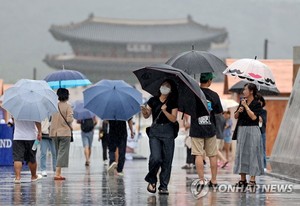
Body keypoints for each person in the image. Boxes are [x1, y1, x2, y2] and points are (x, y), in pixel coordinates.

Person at [141, 79, 178, 195]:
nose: (164, 87)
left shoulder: (173, 102)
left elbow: (173, 119)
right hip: (155, 131)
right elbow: (147, 116)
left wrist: (165, 111)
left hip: (168, 131)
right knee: (155, 158)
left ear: (171, 90)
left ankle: (163, 186)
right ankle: (152, 180)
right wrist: (144, 111)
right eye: (163, 85)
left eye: (167, 86)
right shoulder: (153, 100)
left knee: (167, 160)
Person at [189, 72, 223, 188]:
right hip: (210, 129)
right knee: (212, 155)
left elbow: (188, 109)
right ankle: (214, 180)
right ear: (209, 81)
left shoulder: (193, 94)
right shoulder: (214, 95)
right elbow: (219, 112)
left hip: (196, 128)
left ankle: (202, 180)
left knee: (198, 154)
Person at [233, 83, 264, 187]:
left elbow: (254, 118)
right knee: (242, 154)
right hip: (242, 130)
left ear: (251, 91)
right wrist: (239, 110)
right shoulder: (242, 102)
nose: (243, 91)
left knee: (253, 153)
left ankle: (252, 179)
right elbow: (236, 116)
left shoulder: (256, 104)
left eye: (245, 89)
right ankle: (242, 180)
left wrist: (246, 107)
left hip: (253, 130)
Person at [49, 88, 74, 181]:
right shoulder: (68, 106)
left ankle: (58, 172)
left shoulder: (54, 106)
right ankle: (57, 173)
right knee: (62, 153)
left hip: (54, 132)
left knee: (57, 152)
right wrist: (72, 117)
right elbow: (69, 119)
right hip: (64, 132)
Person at [257, 94, 267, 170]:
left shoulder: (264, 111)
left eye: (260, 101)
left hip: (262, 132)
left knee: (262, 149)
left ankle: (264, 166)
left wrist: (259, 116)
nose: (259, 103)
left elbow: (264, 120)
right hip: (254, 132)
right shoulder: (253, 111)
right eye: (258, 101)